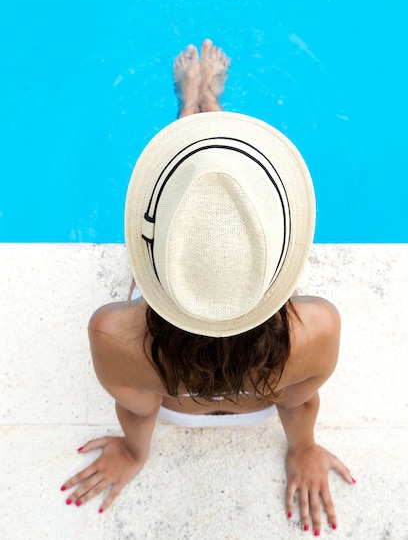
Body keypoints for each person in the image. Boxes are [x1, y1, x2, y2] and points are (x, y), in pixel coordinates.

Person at [61, 39, 355, 535]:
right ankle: (211, 107)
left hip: (176, 402)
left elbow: (137, 407)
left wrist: (134, 453)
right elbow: (300, 401)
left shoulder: (114, 332)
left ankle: (190, 108)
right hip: (256, 400)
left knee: (183, 206)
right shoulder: (319, 327)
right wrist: (303, 448)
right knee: (229, 217)